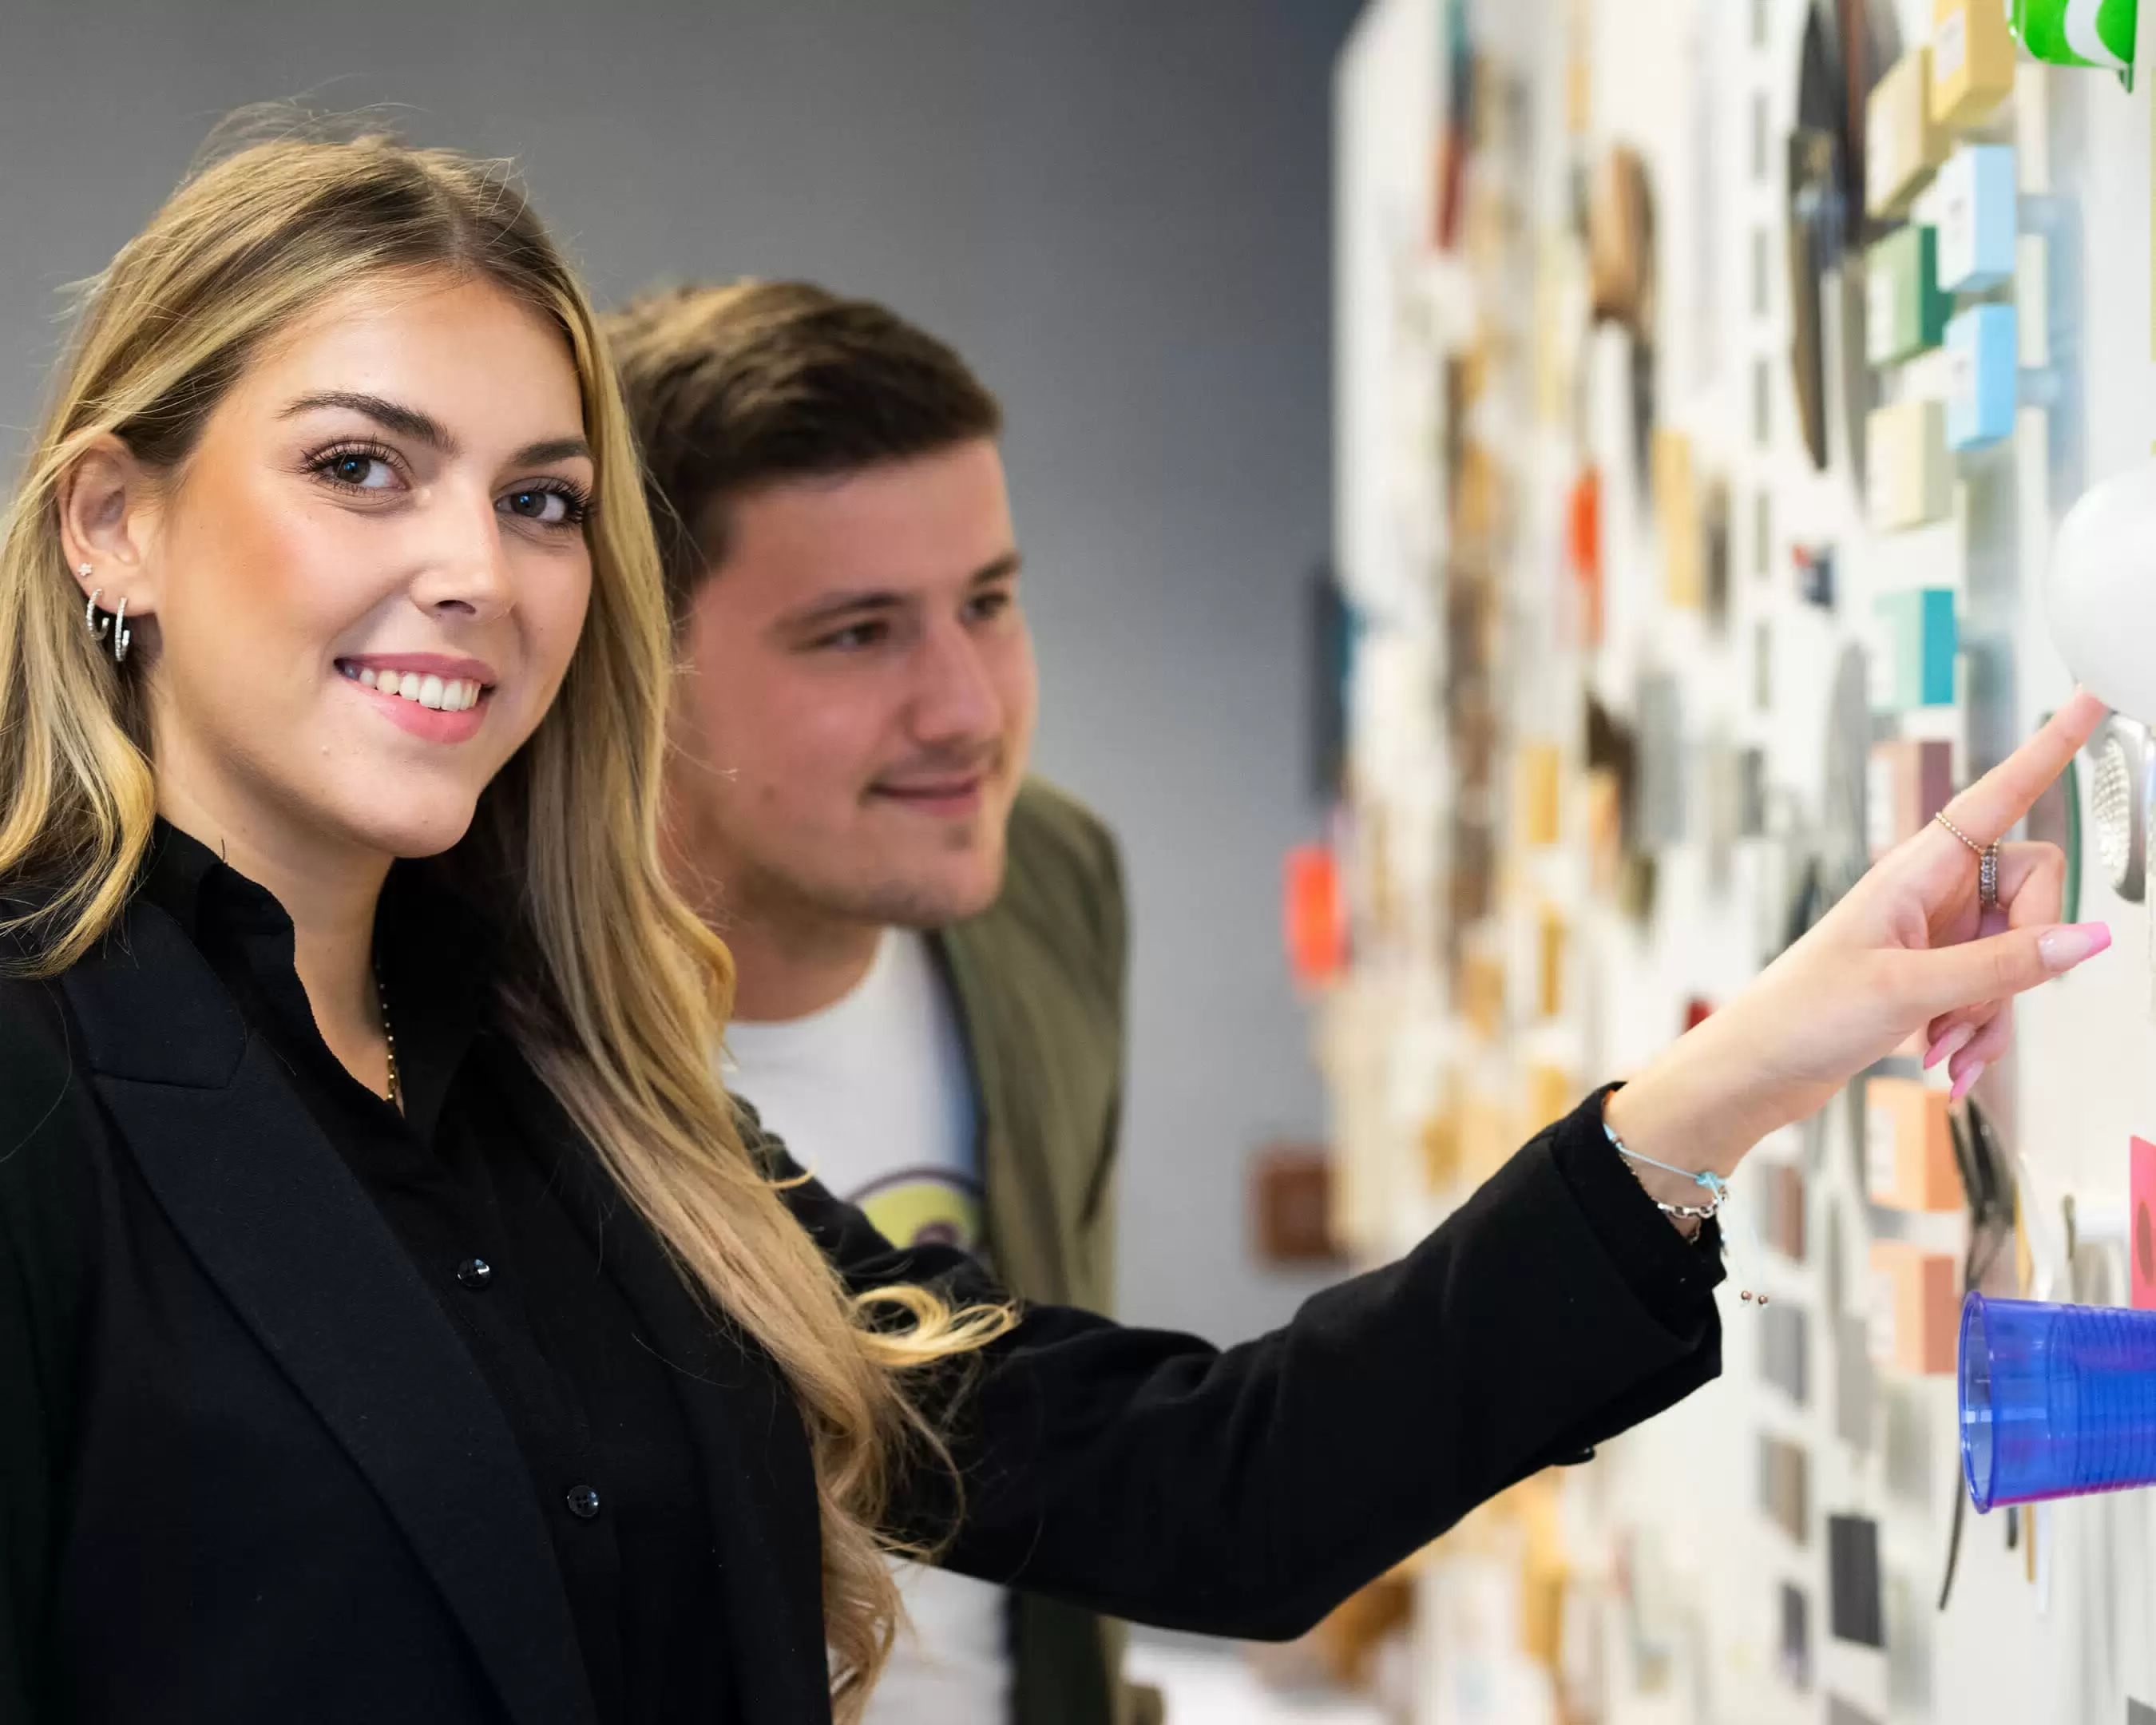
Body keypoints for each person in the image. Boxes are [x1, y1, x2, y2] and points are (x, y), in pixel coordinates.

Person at [0, 122, 2110, 1725]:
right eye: (365, 468)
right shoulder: (42, 1090)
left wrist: (1746, 1065)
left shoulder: (583, 1096)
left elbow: (1202, 1490)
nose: (475, 564)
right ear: (119, 519)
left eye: (538, 497)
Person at [601, 280, 1146, 1725]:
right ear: (639, 663)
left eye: (988, 603)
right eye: (858, 634)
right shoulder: (484, 1017)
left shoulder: (1054, 884)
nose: (966, 709)